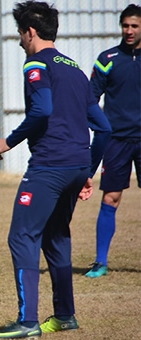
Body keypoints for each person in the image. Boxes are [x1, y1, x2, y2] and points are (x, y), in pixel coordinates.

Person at [0, 1, 111, 338]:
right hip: (75, 164)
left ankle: (28, 322)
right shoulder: (73, 68)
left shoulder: (36, 63)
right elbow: (104, 127)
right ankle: (64, 316)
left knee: (22, 236)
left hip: (49, 165)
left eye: (20, 34)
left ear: (30, 32)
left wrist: (8, 142)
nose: (19, 41)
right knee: (56, 236)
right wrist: (88, 171)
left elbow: (42, 110)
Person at [85, 4, 141, 279]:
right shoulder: (107, 58)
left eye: (135, 26)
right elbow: (90, 98)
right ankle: (100, 262)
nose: (129, 31)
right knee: (111, 197)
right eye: (125, 26)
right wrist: (98, 127)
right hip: (117, 139)